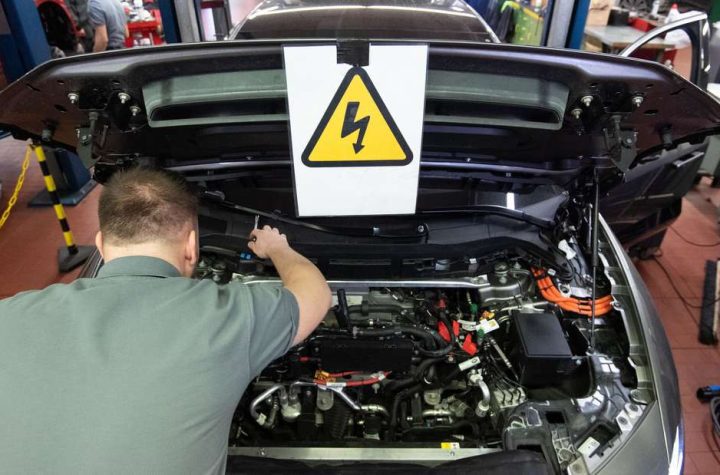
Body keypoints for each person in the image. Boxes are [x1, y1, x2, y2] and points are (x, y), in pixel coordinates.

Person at [0, 168, 331, 473]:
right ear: (192, 246)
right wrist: (277, 248)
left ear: (100, 243)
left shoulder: (9, 314)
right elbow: (316, 294)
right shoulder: (229, 316)